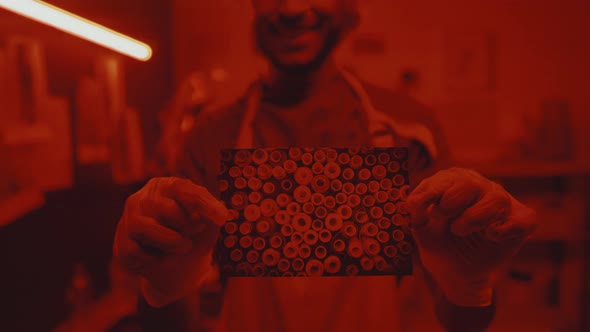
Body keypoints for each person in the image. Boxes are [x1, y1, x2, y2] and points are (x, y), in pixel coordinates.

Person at [113, 1, 537, 331]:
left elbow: (460, 321)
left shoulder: (410, 129)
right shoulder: (212, 135)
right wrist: (163, 289)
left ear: (349, 5)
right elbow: (174, 324)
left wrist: (470, 286)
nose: (294, 8)